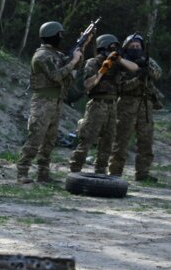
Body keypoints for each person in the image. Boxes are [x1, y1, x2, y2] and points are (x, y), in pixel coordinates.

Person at [15, 21, 83, 183]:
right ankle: (22, 172)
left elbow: (70, 73)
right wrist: (73, 61)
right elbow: (56, 76)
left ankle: (43, 173)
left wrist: (79, 53)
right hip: (43, 101)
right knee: (36, 137)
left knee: (50, 140)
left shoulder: (55, 55)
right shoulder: (42, 56)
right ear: (53, 36)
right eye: (59, 35)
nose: (61, 38)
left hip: (56, 101)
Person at [68, 34, 137, 174]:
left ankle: (100, 171)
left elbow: (135, 68)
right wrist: (103, 69)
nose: (114, 50)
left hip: (113, 105)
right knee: (87, 138)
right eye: (112, 47)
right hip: (97, 104)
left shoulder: (118, 64)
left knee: (108, 140)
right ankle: (75, 169)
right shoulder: (93, 62)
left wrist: (119, 59)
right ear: (103, 47)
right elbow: (88, 84)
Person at [109, 33, 164, 181]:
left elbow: (158, 74)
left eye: (138, 46)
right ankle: (115, 173)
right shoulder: (121, 64)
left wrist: (146, 68)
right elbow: (121, 87)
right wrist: (137, 78)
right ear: (127, 48)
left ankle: (143, 173)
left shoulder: (146, 60)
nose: (135, 49)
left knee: (146, 141)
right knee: (121, 140)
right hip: (126, 104)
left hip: (145, 105)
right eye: (132, 46)